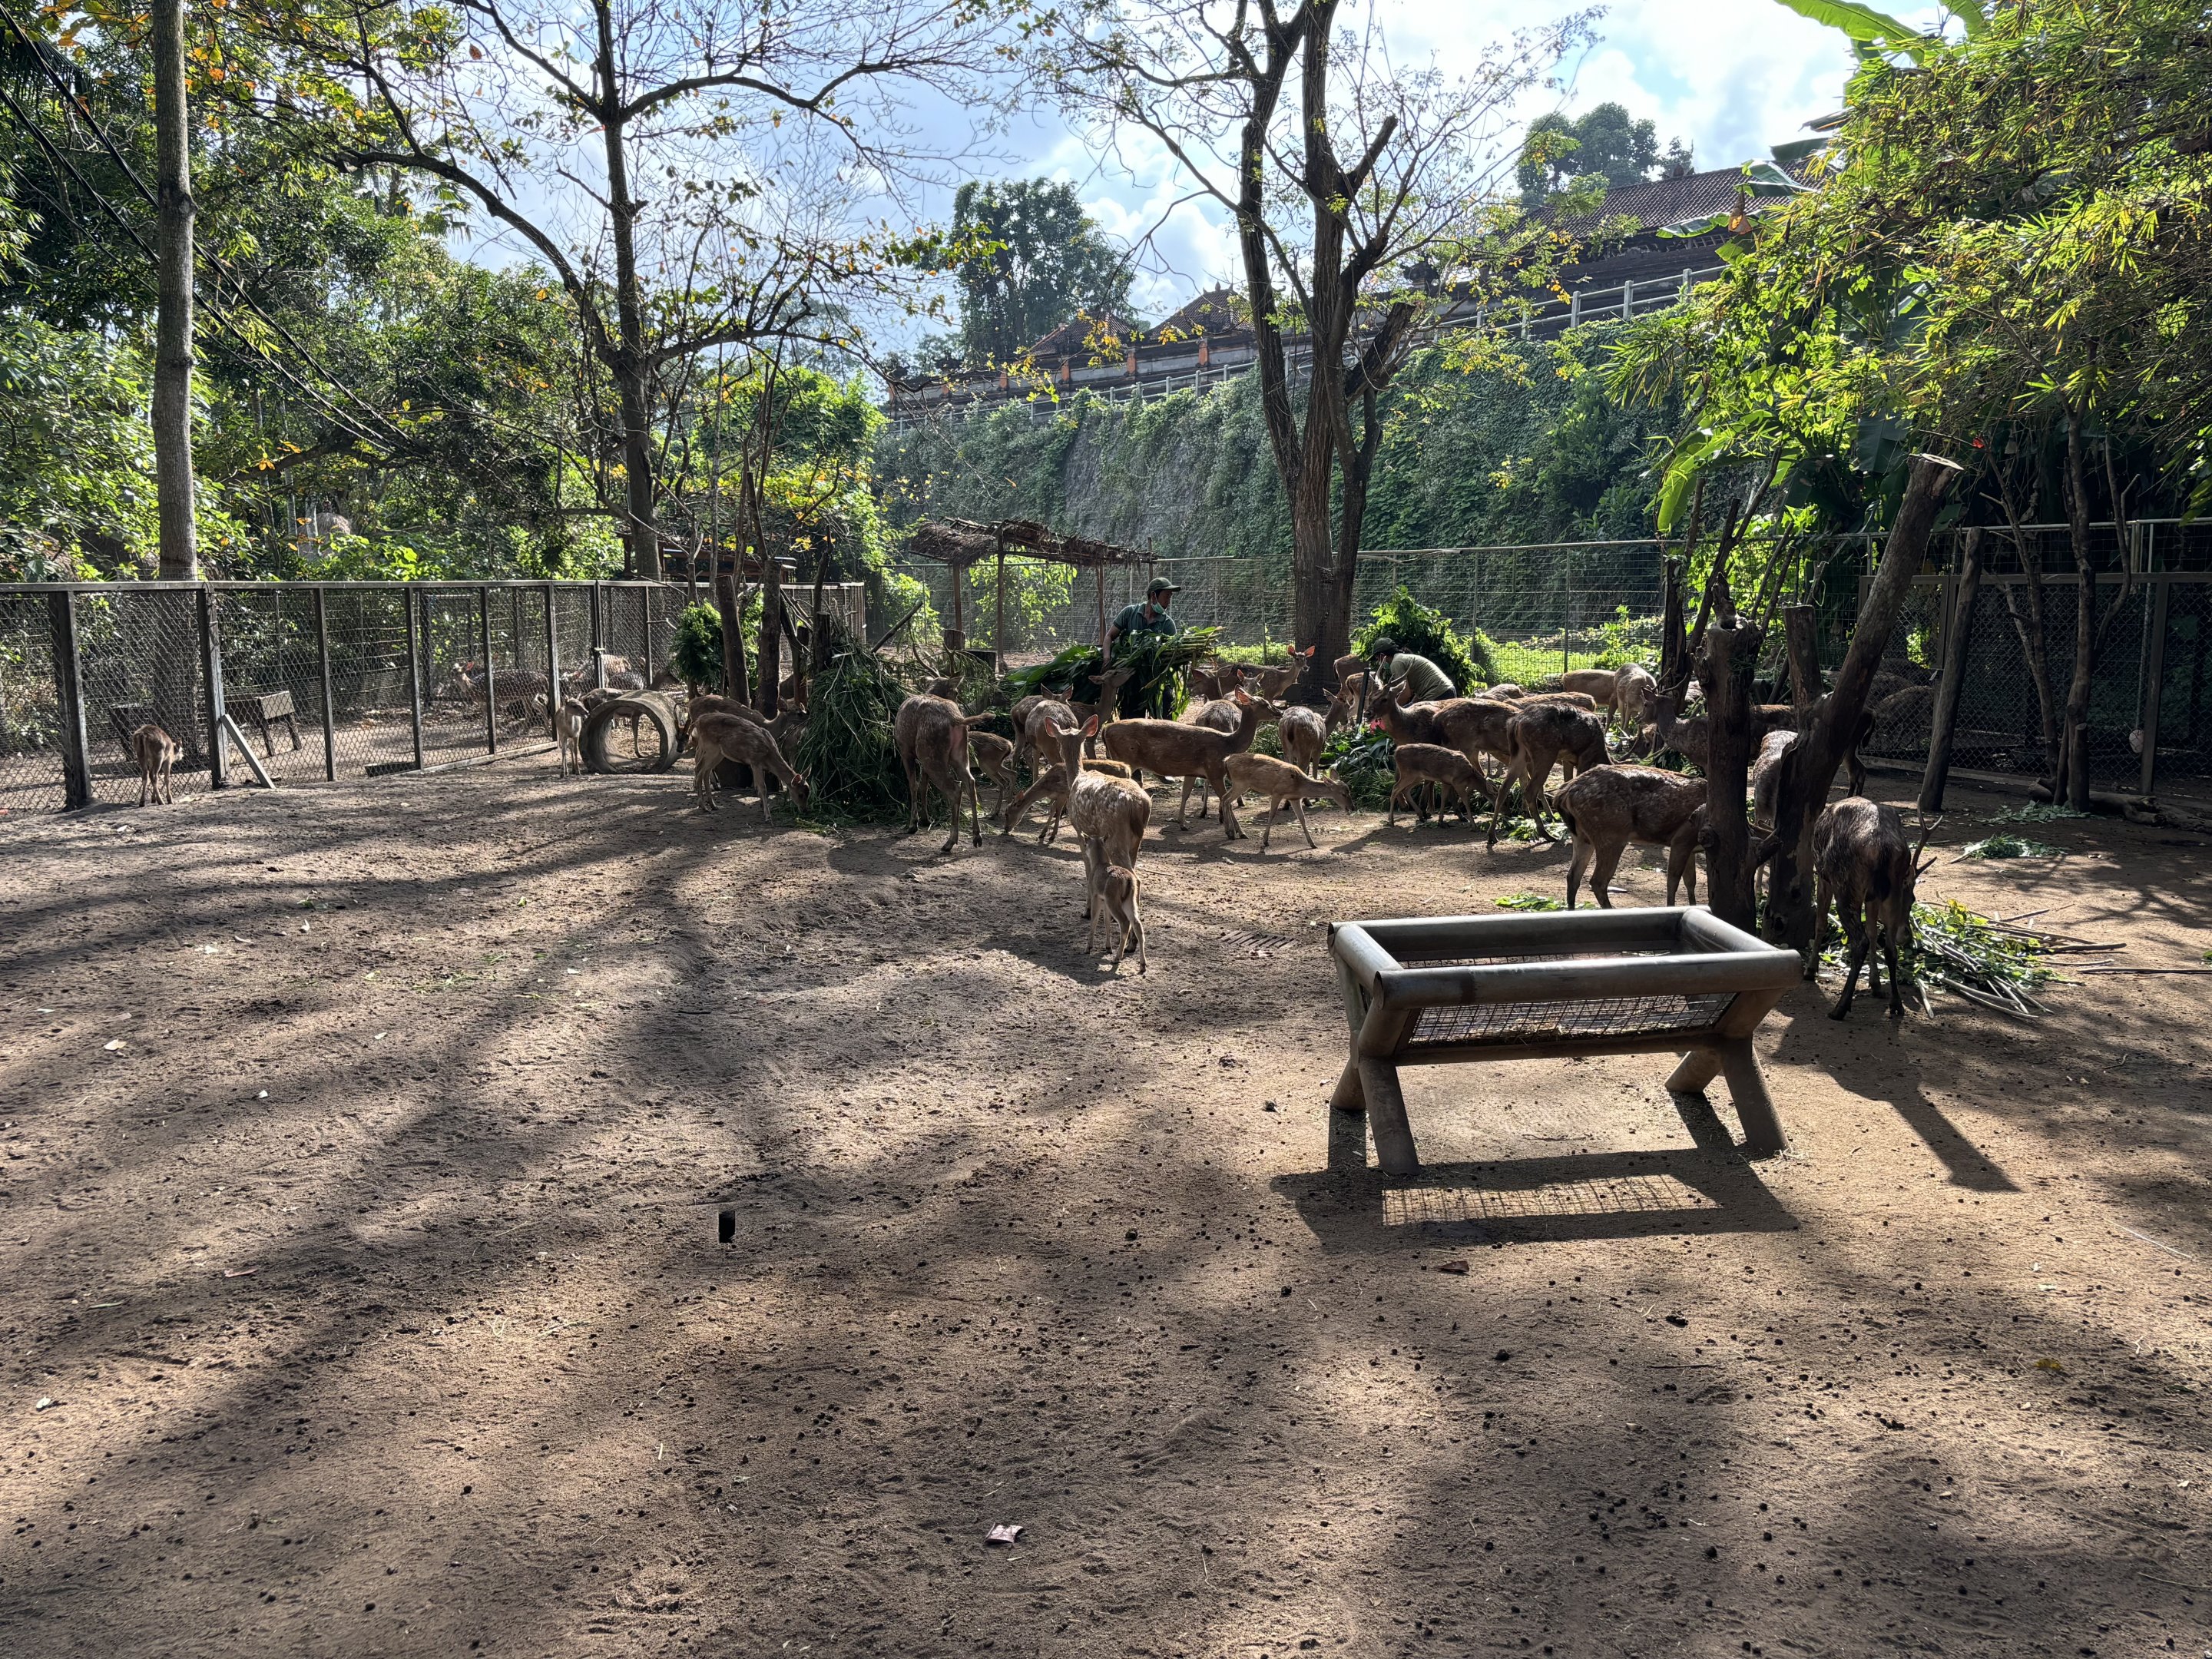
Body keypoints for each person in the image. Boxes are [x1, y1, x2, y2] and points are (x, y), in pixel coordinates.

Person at [1107, 576, 1182, 659]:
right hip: (1125, 668)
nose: (1169, 602)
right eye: (1167, 596)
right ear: (1153, 596)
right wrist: (1106, 659)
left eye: (1170, 597)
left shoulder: (1168, 624)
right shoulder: (1129, 612)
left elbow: (1171, 654)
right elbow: (1109, 636)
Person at [1369, 636, 1455, 704]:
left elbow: (1405, 694)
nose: (1378, 662)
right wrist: (1412, 704)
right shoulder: (1403, 658)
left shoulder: (1396, 663)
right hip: (1447, 690)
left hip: (1438, 694)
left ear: (1382, 655)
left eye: (1377, 659)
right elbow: (1414, 690)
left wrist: (1391, 710)